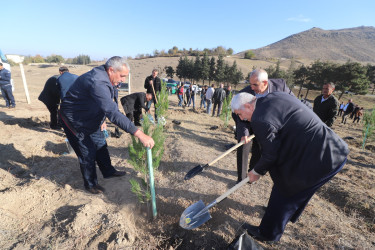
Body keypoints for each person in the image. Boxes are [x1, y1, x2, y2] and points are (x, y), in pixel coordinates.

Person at [231, 92, 349, 242]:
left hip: (322, 157)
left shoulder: (260, 119)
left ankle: (268, 234)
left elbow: (270, 154)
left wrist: (256, 171)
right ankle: (282, 215)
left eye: (240, 114)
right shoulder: (273, 96)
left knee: (287, 188)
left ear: (248, 105)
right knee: (287, 185)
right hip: (331, 147)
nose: (242, 119)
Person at [60, 56, 154, 194]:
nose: (123, 80)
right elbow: (113, 112)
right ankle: (90, 184)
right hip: (75, 120)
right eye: (122, 76)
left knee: (100, 144)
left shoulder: (108, 79)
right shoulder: (97, 81)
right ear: (111, 70)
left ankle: (108, 171)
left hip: (91, 117)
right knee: (87, 152)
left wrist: (102, 119)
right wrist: (139, 134)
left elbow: (106, 103)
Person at [233, 69, 295, 183]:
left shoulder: (280, 86)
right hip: (248, 122)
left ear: (265, 83)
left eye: (255, 84)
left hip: (269, 124)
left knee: (259, 149)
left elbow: (294, 103)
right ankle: (241, 178)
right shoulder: (246, 92)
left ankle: (251, 175)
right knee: (243, 146)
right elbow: (238, 114)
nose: (251, 88)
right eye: (250, 84)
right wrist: (243, 133)